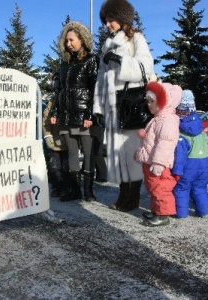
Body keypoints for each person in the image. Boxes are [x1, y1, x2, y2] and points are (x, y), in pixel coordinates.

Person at [93, 0, 155, 212]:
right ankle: (123, 191)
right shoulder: (106, 44)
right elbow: (101, 80)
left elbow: (146, 66)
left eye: (112, 19)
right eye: (106, 21)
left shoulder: (136, 38)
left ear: (123, 18)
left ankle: (133, 194)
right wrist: (98, 109)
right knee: (117, 153)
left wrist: (121, 61)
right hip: (112, 106)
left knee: (131, 152)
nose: (108, 24)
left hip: (130, 103)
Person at [50, 21, 99, 202]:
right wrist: (55, 112)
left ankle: (88, 191)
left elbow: (95, 89)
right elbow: (60, 90)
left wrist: (90, 114)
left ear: (82, 39)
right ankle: (75, 190)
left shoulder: (92, 60)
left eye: (71, 40)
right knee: (71, 153)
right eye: (66, 41)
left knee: (88, 153)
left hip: (83, 114)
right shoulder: (64, 63)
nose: (68, 44)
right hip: (66, 115)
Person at [135, 81, 182, 226]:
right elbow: (154, 139)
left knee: (161, 189)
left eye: (152, 101)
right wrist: (145, 136)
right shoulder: (158, 118)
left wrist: (159, 163)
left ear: (163, 101)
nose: (148, 104)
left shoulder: (167, 120)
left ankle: (163, 215)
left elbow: (165, 143)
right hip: (151, 161)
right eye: (147, 101)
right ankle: (156, 211)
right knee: (153, 188)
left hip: (158, 163)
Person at [172, 90, 208, 219]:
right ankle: (205, 211)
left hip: (188, 167)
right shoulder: (204, 134)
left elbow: (180, 156)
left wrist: (177, 171)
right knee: (200, 189)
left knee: (181, 189)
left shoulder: (182, 137)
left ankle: (181, 213)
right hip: (203, 166)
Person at [43, 72, 70, 200]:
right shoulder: (52, 100)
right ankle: (57, 186)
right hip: (54, 140)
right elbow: (46, 119)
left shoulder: (70, 98)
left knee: (66, 167)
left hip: (67, 140)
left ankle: (67, 188)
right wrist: (47, 135)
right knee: (54, 166)